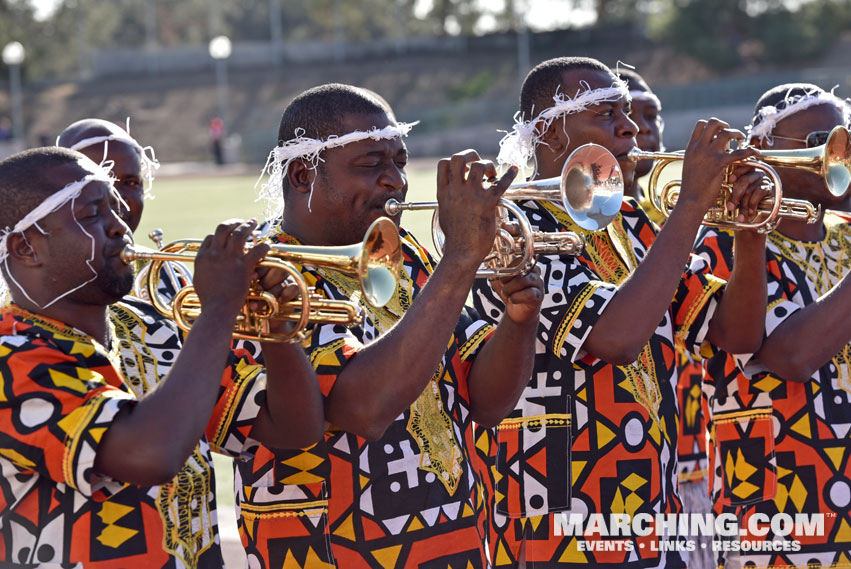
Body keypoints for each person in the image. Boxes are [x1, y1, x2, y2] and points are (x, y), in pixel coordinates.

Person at [473, 56, 770, 568]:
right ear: (551, 133)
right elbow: (615, 339)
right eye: (607, 113)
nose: (630, 126)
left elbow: (736, 335)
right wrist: (692, 203)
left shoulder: (631, 223)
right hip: (558, 526)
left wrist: (750, 228)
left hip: (654, 516)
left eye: (628, 111)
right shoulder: (513, 227)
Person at [236, 83, 544, 569]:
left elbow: (486, 403)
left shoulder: (410, 260)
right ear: (302, 174)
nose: (395, 181)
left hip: (461, 543)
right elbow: (362, 409)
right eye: (371, 164)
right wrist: (461, 258)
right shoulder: (260, 277)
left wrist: (520, 319)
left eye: (399, 162)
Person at [0, 146, 325, 567]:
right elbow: (150, 454)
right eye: (91, 215)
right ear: (25, 248)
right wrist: (219, 310)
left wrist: (277, 328)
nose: (119, 227)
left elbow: (294, 428)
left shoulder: (151, 325)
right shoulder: (11, 357)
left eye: (116, 209)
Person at [693, 83, 851, 569]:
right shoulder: (722, 244)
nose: (832, 153)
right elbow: (790, 356)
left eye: (841, 139)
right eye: (814, 141)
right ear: (761, 151)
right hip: (778, 497)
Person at [618, 66, 714, 569]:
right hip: (605, 490)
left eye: (650, 116)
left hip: (688, 457)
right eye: (625, 117)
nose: (641, 130)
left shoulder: (670, 218)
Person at [616, 67, 666, 226]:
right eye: (628, 115)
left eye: (651, 116)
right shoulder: (582, 213)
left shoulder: (667, 207)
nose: (643, 127)